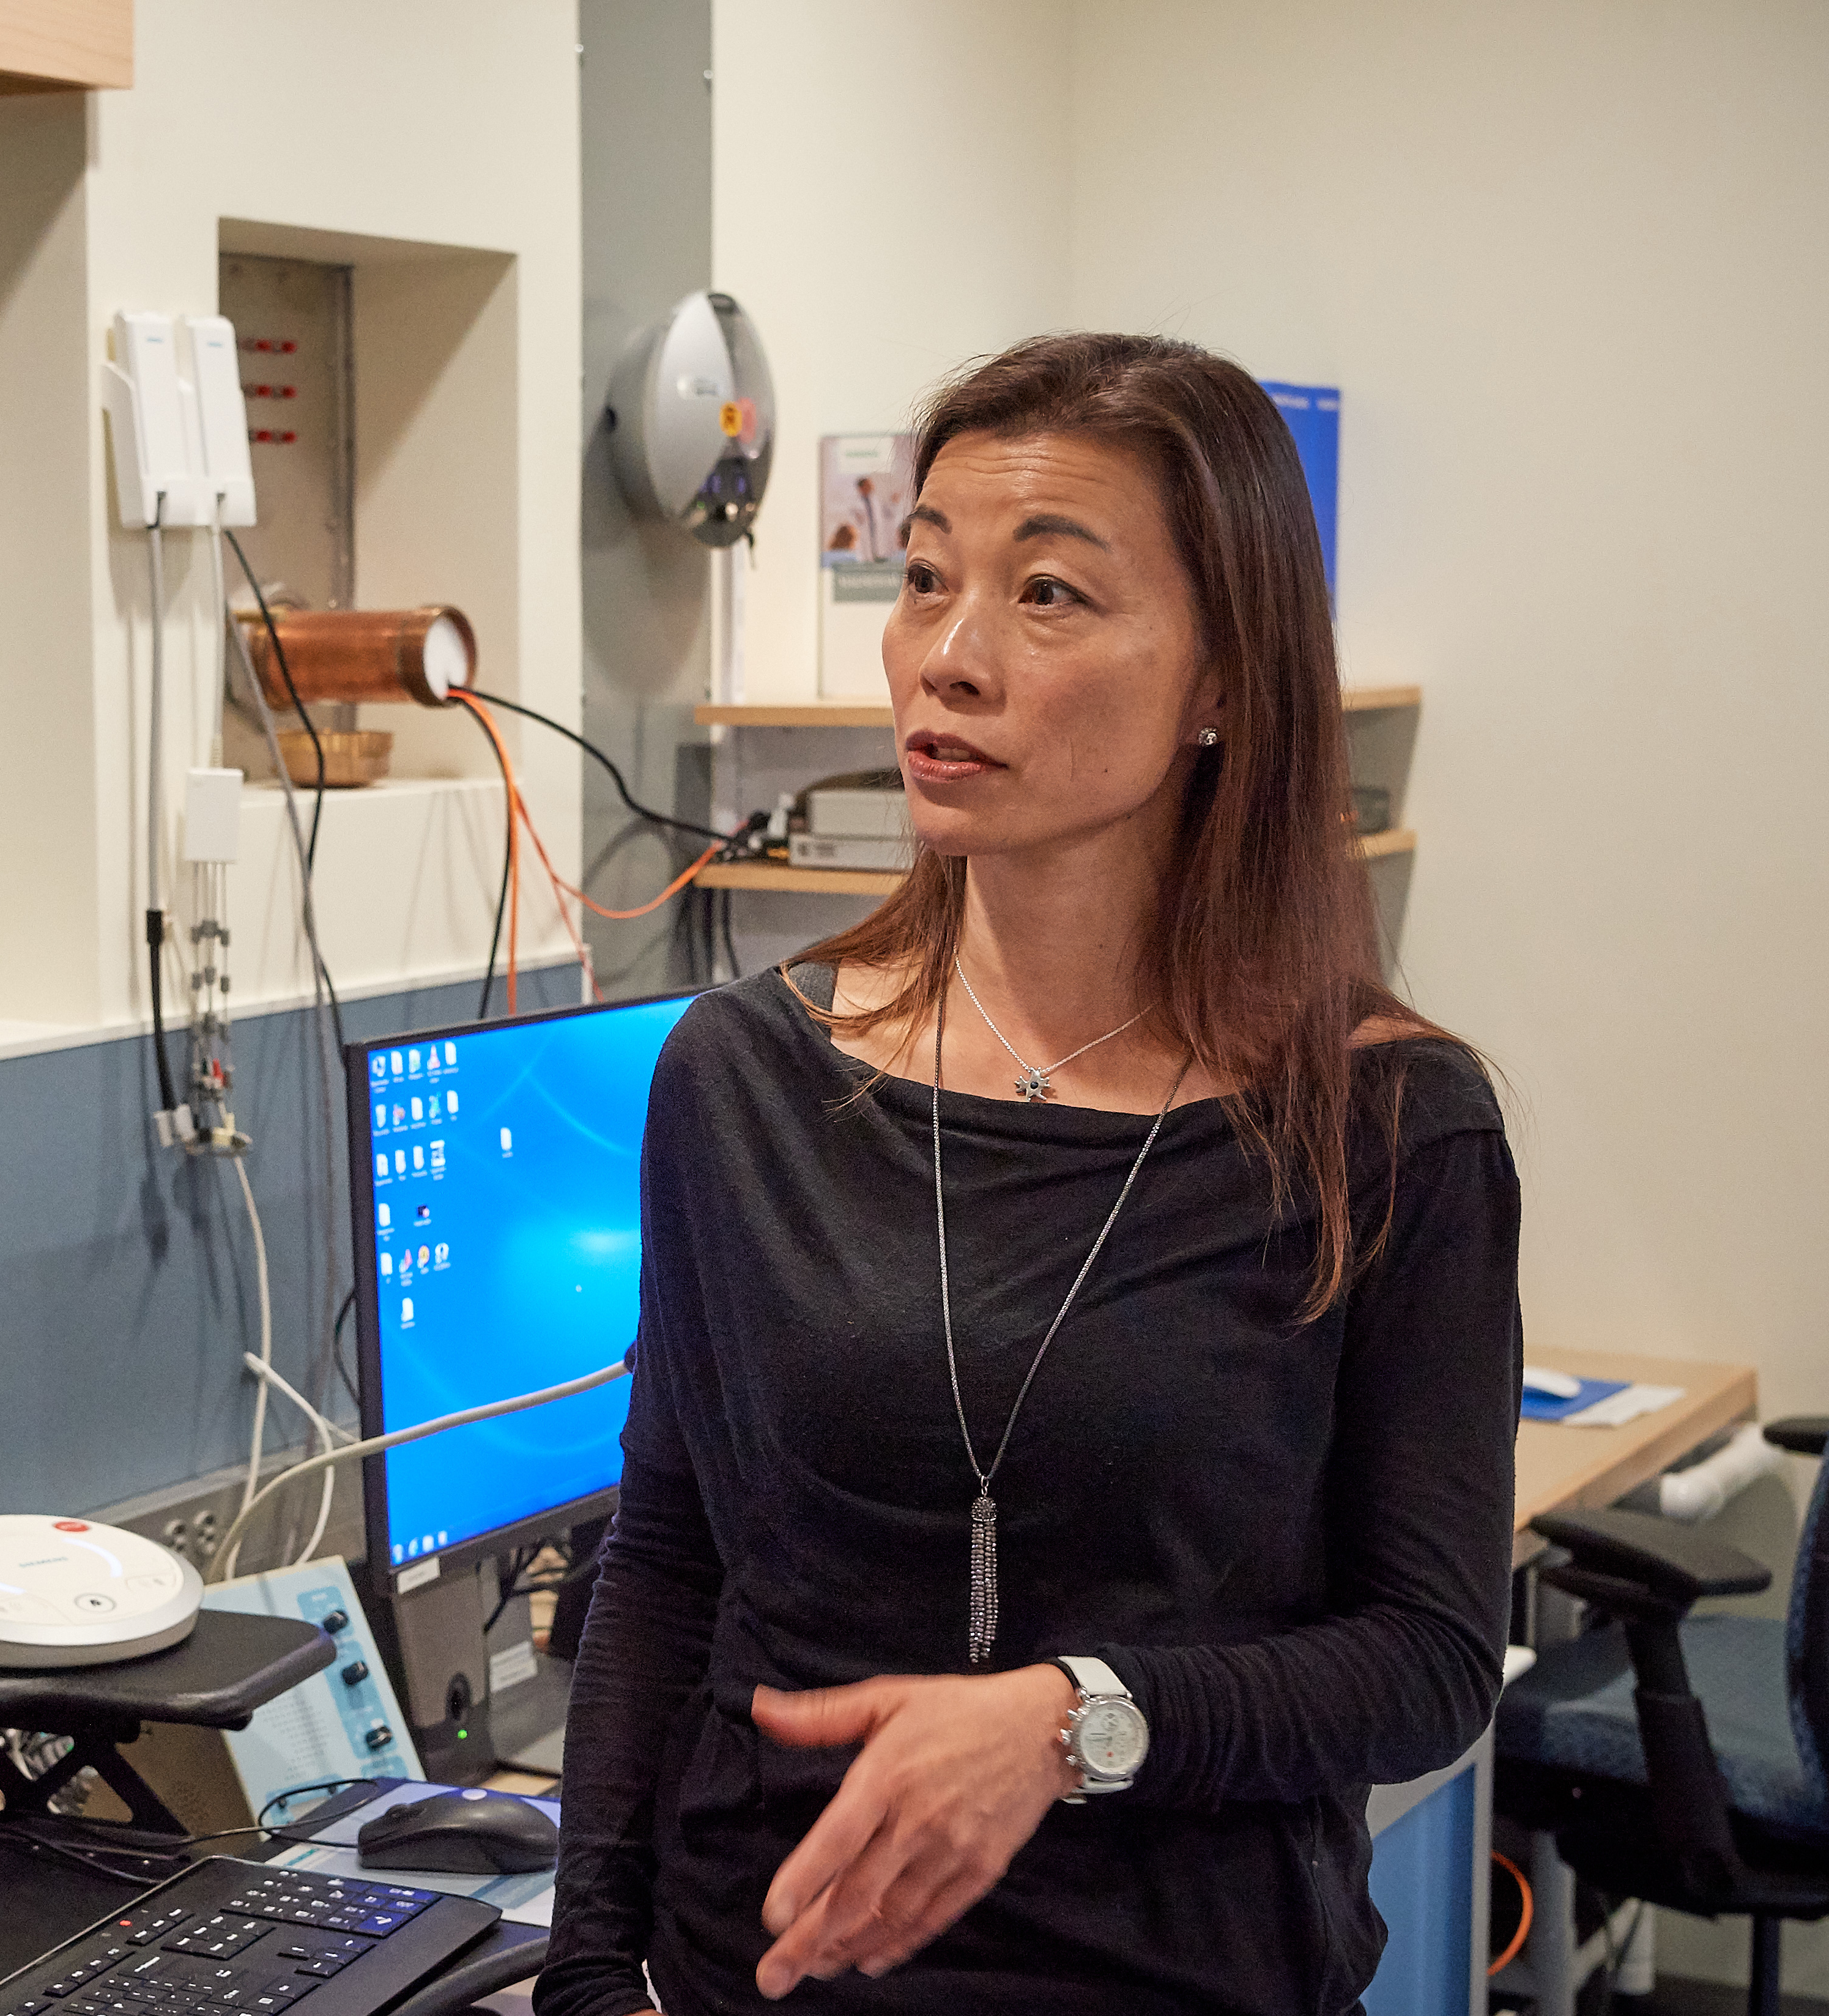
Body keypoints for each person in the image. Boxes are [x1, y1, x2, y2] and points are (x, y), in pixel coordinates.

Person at [538, 332, 1519, 2014]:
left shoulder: (1388, 1127)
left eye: (1050, 596)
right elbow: (668, 1563)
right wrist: (581, 1976)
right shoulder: (746, 1079)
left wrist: (1077, 1722)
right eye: (924, 582)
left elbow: (1429, 1663)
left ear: (1225, 679)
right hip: (754, 1973)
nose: (950, 658)